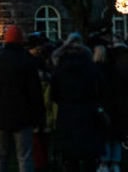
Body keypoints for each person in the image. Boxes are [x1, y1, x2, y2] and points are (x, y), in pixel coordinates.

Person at [0, 25, 45, 172]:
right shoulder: (28, 62)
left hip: (0, 115)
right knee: (24, 156)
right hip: (23, 117)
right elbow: (35, 93)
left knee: (0, 157)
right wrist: (38, 117)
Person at [51, 32, 102, 172]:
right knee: (89, 159)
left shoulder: (60, 69)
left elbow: (54, 94)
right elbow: (98, 91)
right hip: (87, 113)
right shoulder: (91, 68)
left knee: (70, 158)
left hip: (67, 113)